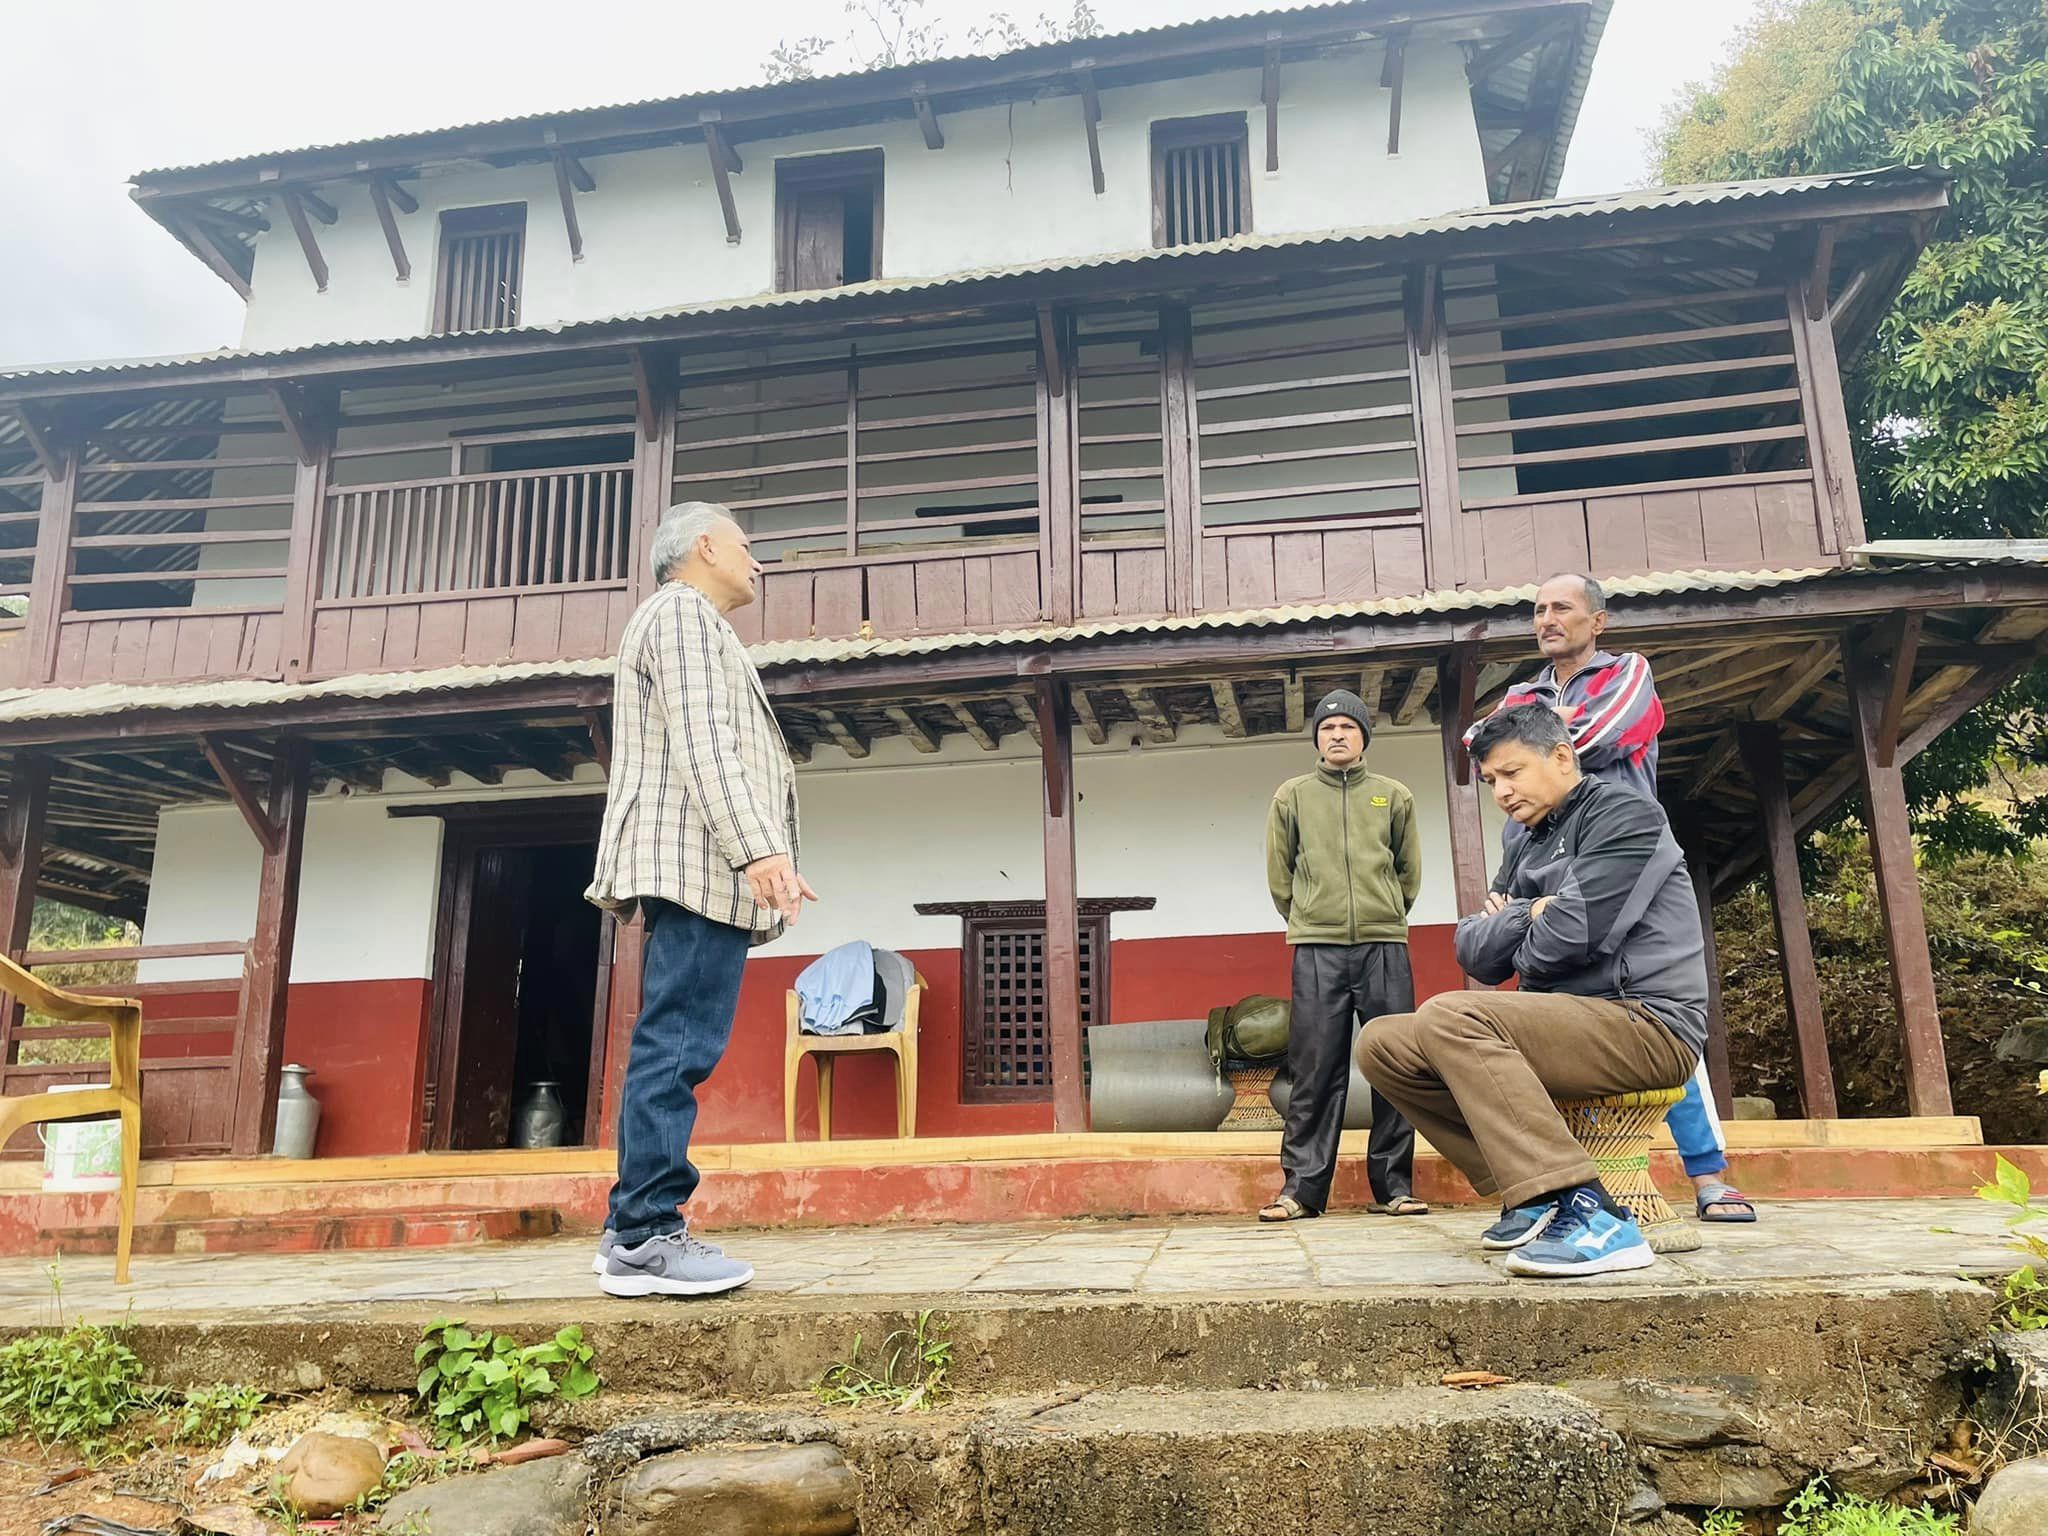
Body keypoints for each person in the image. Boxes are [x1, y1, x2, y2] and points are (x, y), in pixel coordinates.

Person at [1357, 704, 1705, 1277]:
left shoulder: (1625, 814)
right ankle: (1534, 1195)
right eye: (1491, 780)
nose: (1501, 791)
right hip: (1561, 1021)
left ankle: (1594, 1214)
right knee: (1383, 1042)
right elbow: (1475, 953)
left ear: (1562, 756)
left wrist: (1513, 919)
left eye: (1512, 772)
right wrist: (1533, 911)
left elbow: (1574, 936)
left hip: (1645, 1023)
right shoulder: (1524, 839)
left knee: (1451, 1015)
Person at [1464, 572, 1754, 1225]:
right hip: (1538, 856)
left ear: (1598, 621)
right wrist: (1529, 741)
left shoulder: (1627, 672)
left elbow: (1603, 734)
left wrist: (1541, 737)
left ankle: (1708, 1174)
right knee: (1535, 1007)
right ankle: (1558, 1187)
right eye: (1538, 609)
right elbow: (1476, 743)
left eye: (1561, 607)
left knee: (1650, 1007)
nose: (1547, 619)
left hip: (1618, 858)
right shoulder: (1523, 691)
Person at [585, 501, 817, 1298]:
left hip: (699, 860)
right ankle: (647, 1237)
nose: (758, 562)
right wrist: (761, 848)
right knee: (678, 1044)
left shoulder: (690, 622)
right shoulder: (681, 614)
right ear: (706, 547)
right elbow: (704, 739)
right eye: (747, 546)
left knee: (673, 1041)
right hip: (696, 862)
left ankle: (628, 1229)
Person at [1260, 690, 1427, 1223]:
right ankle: (1301, 1190)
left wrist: (1386, 912)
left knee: (1396, 1064)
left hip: (1384, 946)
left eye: (1348, 728)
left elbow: (1408, 871)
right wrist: (1309, 916)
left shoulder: (1393, 795)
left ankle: (1394, 1186)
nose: (1337, 735)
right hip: (1317, 948)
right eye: (1327, 728)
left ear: (1363, 738)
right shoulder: (1292, 796)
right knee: (1315, 1069)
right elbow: (1280, 873)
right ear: (1316, 738)